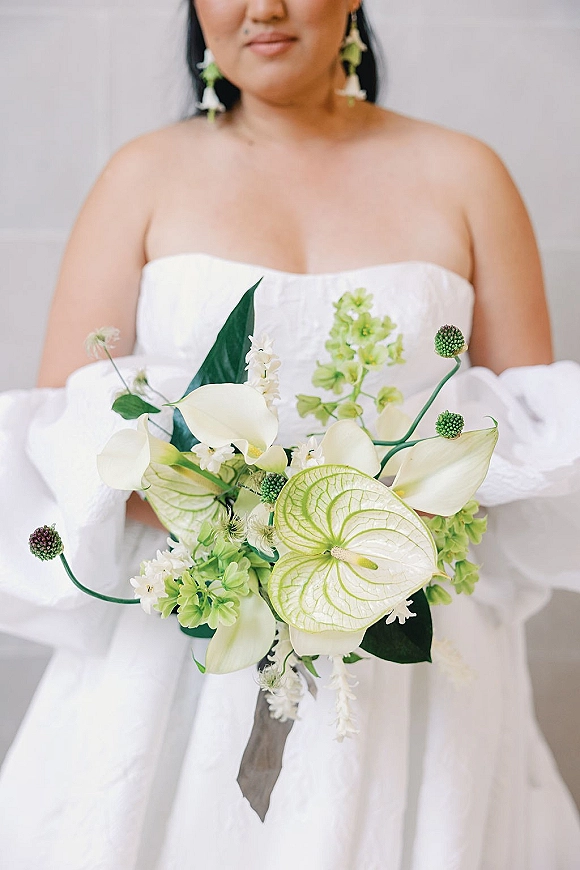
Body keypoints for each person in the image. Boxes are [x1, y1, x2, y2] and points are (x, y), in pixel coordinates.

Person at [0, 2, 579, 868]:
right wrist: (237, 522)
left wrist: (383, 529)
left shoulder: (466, 174)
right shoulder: (142, 176)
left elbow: (536, 441)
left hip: (412, 648)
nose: (261, 7)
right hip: (185, 644)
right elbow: (68, 433)